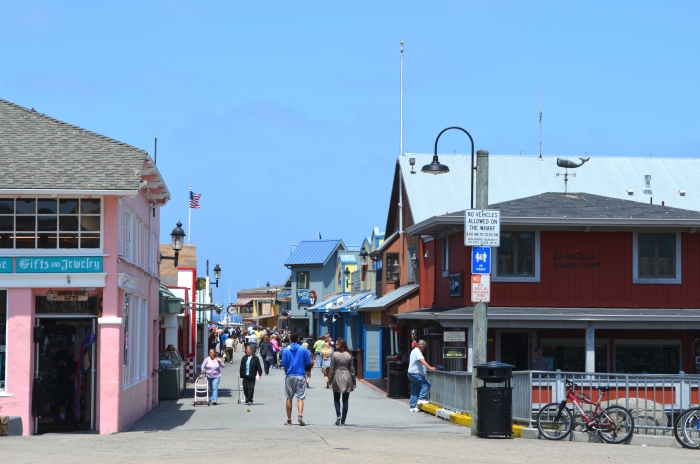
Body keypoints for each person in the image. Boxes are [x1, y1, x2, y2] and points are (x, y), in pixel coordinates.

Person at [281, 332, 311, 426]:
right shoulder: (303, 349)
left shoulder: (286, 350)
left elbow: (284, 363)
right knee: (300, 397)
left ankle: (289, 420)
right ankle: (300, 416)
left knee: (289, 397)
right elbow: (308, 361)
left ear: (290, 339)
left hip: (290, 375)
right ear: (298, 338)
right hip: (300, 375)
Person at [324, 338, 355, 426]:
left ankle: (338, 414)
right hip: (347, 376)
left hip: (337, 376)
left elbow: (332, 368)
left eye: (337, 344)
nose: (335, 345)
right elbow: (352, 369)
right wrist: (353, 380)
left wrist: (330, 380)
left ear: (340, 345)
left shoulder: (335, 355)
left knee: (336, 398)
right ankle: (343, 420)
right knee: (345, 400)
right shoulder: (349, 355)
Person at [407, 340, 436, 412]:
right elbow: (422, 360)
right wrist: (429, 367)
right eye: (424, 347)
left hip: (412, 374)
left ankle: (412, 406)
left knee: (414, 390)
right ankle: (421, 398)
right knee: (426, 384)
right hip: (415, 374)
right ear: (422, 346)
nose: (424, 348)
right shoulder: (417, 352)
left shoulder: (414, 351)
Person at [52, 341, 76, 422]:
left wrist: (75, 375)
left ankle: (76, 418)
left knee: (74, 400)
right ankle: (62, 419)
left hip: (73, 381)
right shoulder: (61, 353)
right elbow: (52, 362)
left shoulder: (77, 354)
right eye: (72, 343)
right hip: (62, 380)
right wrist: (58, 363)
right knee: (61, 399)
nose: (73, 345)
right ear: (68, 345)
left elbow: (82, 367)